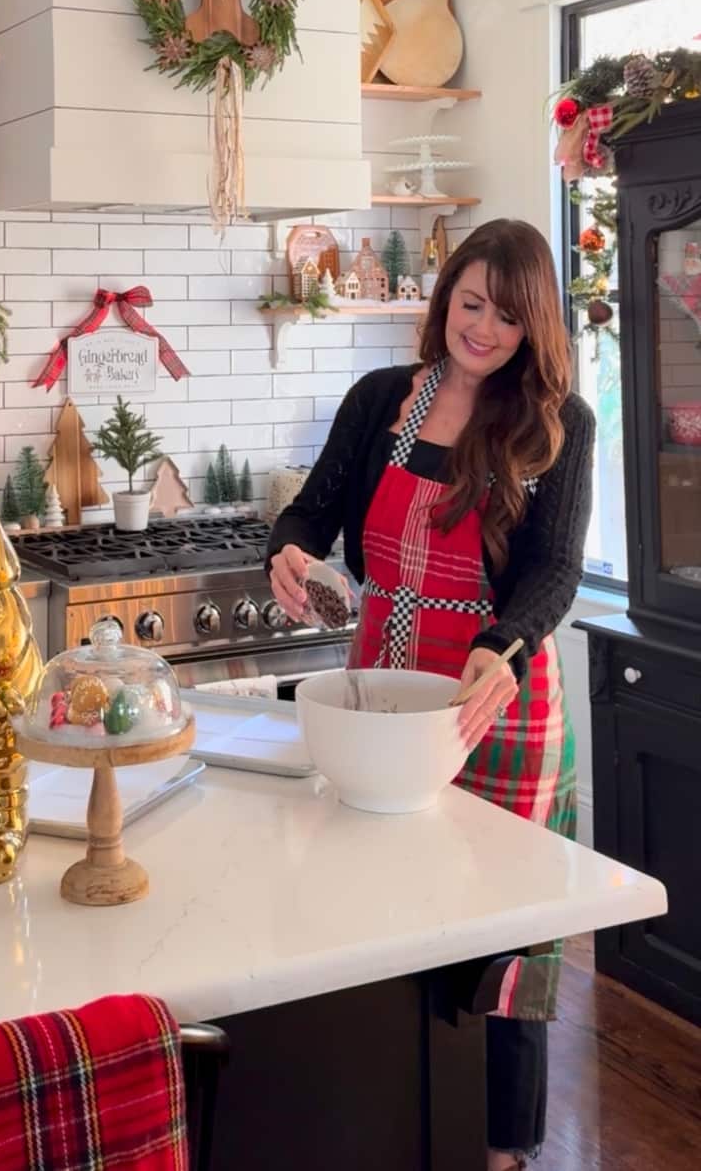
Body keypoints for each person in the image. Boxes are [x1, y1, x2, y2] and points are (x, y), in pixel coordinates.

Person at [268, 218, 595, 1171]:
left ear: (536, 325)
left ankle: (502, 1153)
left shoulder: (559, 425)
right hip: (386, 708)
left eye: (506, 313)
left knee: (505, 949)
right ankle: (398, 1128)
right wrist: (285, 546)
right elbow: (313, 508)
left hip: (494, 702)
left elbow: (557, 570)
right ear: (446, 297)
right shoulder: (380, 400)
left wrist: (503, 643)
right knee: (384, 919)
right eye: (470, 302)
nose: (483, 327)